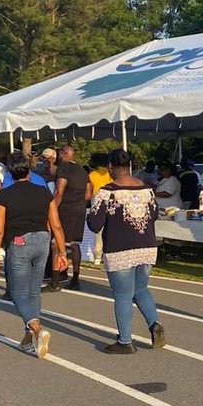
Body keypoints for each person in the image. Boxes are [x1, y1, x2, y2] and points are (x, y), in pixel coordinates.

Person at [86, 149, 165, 354]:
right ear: (129, 165)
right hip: (146, 245)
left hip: (119, 248)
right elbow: (154, 214)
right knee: (141, 289)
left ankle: (125, 341)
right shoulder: (146, 189)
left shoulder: (107, 192)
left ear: (110, 167)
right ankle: (154, 323)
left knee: (122, 295)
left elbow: (95, 224)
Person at [0, 152, 67, 357]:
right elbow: (56, 225)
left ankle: (38, 329)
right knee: (33, 292)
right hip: (42, 240)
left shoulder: (5, 195)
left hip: (19, 242)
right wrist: (61, 251)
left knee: (17, 293)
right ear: (28, 169)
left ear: (9, 172)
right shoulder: (43, 192)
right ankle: (28, 337)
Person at [50, 145, 92, 291]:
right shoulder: (82, 170)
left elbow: (59, 192)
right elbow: (88, 194)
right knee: (74, 244)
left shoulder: (63, 169)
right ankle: (75, 278)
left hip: (66, 210)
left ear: (64, 154)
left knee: (56, 243)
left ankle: (55, 281)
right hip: (79, 209)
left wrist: (51, 210)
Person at [86, 153, 112, 266]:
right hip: (111, 199)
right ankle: (109, 254)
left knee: (98, 231)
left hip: (96, 199)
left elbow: (88, 193)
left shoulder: (92, 175)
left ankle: (97, 256)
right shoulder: (111, 174)